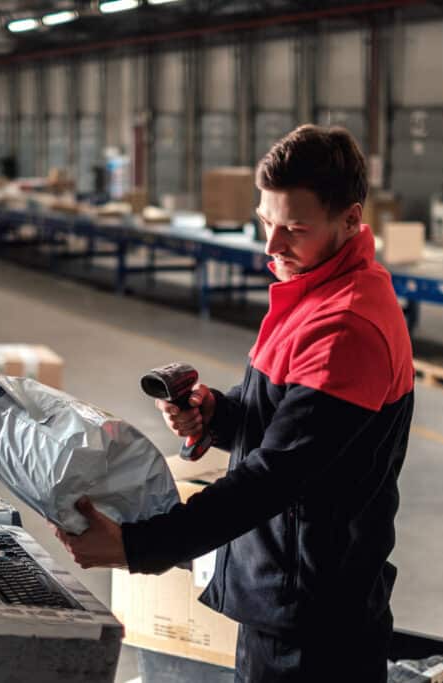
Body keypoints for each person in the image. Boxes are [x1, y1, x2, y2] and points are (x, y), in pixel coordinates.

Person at [56, 124, 415, 682]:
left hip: (314, 622)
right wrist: (216, 414)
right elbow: (280, 420)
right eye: (266, 222)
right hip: (282, 593)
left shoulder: (347, 326)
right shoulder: (312, 294)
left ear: (350, 219)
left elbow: (276, 476)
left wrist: (137, 546)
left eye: (294, 229)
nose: (272, 246)